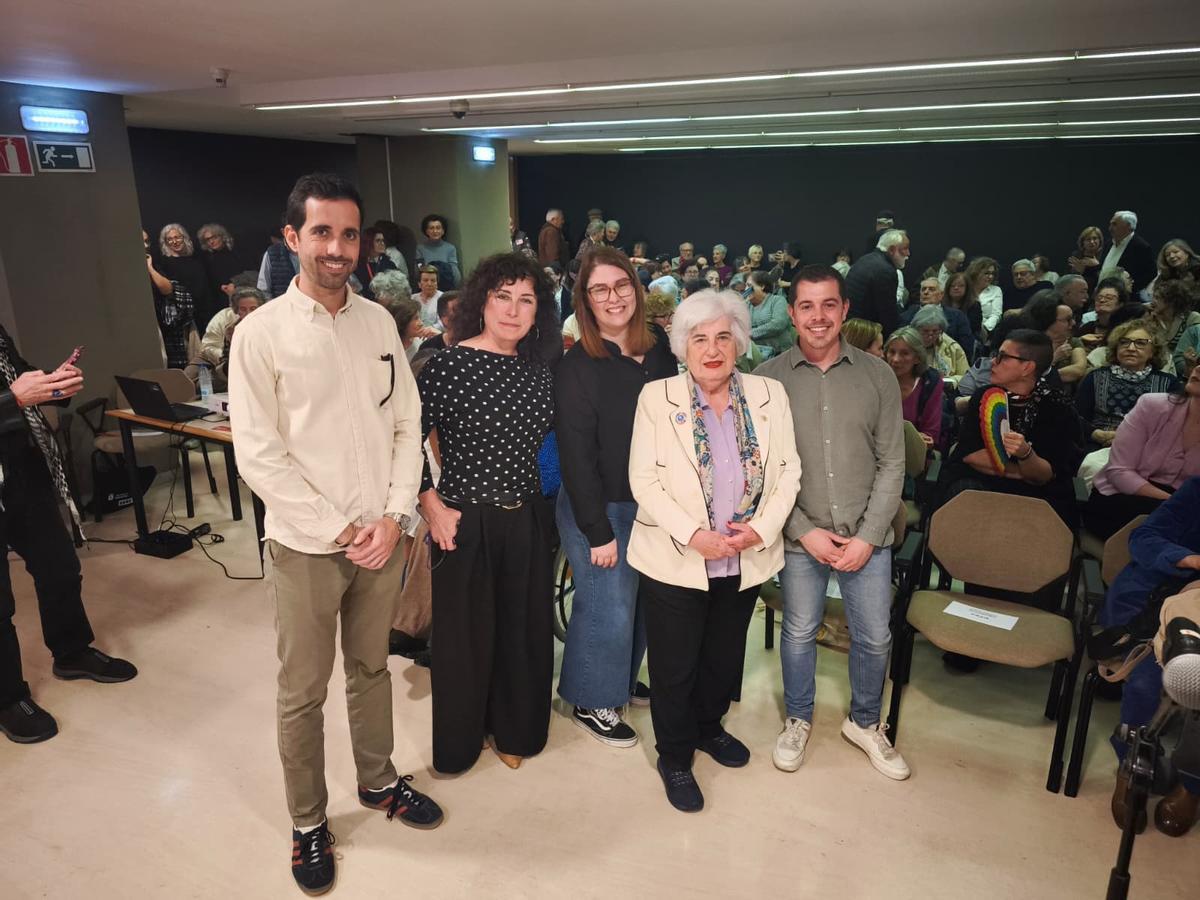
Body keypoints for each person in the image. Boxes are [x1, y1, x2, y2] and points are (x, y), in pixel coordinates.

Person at [229, 173, 443, 896]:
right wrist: (343, 528)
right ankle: (308, 822)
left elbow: (407, 423)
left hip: (380, 539)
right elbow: (259, 454)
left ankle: (380, 782)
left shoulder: (380, 323)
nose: (337, 248)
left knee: (371, 670)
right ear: (293, 239)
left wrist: (393, 517)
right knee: (301, 691)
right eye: (322, 232)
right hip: (305, 549)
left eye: (349, 234)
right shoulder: (260, 334)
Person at [627, 288, 801, 812]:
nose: (712, 348)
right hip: (677, 557)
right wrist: (693, 534)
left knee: (723, 657)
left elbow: (789, 472)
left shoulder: (770, 394)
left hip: (744, 554)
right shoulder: (657, 398)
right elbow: (644, 481)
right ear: (681, 346)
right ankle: (675, 757)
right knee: (675, 664)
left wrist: (761, 529)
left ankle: (708, 728)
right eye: (699, 338)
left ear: (740, 343)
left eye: (723, 336)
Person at [756, 264, 909, 782]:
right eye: (806, 306)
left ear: (844, 310)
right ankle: (798, 718)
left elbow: (893, 463)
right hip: (803, 535)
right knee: (799, 631)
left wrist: (868, 538)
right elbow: (766, 472)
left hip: (868, 533)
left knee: (875, 636)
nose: (818, 317)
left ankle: (865, 722)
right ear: (792, 313)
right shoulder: (768, 379)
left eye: (828, 305)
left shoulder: (878, 375)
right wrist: (803, 531)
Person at [416, 252, 561, 775]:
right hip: (463, 520)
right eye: (503, 296)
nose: (513, 310)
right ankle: (461, 739)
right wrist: (430, 502)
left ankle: (515, 731)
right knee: (464, 638)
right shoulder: (448, 366)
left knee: (521, 633)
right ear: (482, 300)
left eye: (526, 300)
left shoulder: (539, 374)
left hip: (524, 518)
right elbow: (402, 440)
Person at [554, 247, 676, 747]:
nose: (613, 297)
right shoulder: (578, 366)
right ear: (585, 299)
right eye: (599, 289)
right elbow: (576, 457)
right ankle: (590, 697)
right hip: (599, 504)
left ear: (636, 288)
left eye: (621, 285)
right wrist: (596, 531)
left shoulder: (661, 347)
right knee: (609, 603)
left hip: (653, 501)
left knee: (643, 600)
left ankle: (619, 679)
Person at [0, 326, 136, 745]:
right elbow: (14, 394)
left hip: (21, 469)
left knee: (60, 568)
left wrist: (52, 385)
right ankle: (7, 699)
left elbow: (20, 375)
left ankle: (72, 651)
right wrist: (15, 399)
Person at [1100, 478, 1200, 835]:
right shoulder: (1196, 491)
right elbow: (1143, 539)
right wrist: (1189, 559)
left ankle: (1191, 784)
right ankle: (1131, 763)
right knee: (1148, 677)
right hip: (1158, 606)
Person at [943, 329, 1086, 528]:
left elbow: (1047, 473)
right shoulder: (984, 395)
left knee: (1048, 514)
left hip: (1038, 494)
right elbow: (970, 455)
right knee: (963, 492)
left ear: (1027, 367)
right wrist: (1024, 470)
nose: (993, 362)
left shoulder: (1058, 407)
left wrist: (1025, 454)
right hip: (981, 480)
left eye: (1002, 357)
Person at [1085, 368, 1200, 538]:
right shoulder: (1152, 405)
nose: (1197, 368)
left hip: (1185, 508)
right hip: (1124, 497)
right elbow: (1119, 471)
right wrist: (1173, 504)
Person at [1075, 319, 1178, 451]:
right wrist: (1096, 434)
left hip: (1148, 448)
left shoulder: (1169, 384)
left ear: (1153, 351)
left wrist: (1129, 439)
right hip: (1099, 444)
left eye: (1140, 343)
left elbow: (1173, 427)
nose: (1131, 348)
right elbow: (1077, 418)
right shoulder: (1095, 377)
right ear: (1115, 348)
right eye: (1124, 342)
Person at [144, 229, 197, 370]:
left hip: (162, 323)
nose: (145, 245)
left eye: (146, 241)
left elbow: (167, 289)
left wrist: (149, 267)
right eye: (141, 241)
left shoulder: (153, 262)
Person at [885, 326, 943, 450]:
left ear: (917, 358)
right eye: (891, 352)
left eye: (904, 353)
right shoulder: (877, 378)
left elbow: (930, 435)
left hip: (910, 456)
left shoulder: (930, 384)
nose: (895, 359)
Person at [197, 285, 266, 390]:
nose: (248, 314)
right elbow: (214, 350)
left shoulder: (269, 327)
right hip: (229, 366)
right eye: (243, 309)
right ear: (236, 310)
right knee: (198, 383)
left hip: (262, 370)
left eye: (253, 309)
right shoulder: (231, 328)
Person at [845, 228, 909, 339]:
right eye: (905, 249)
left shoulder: (865, 259)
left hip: (850, 328)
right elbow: (888, 315)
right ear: (892, 250)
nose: (908, 253)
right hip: (864, 334)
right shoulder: (886, 271)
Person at [158, 222, 221, 332]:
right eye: (170, 239)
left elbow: (206, 287)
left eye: (177, 237)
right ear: (166, 243)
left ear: (184, 238)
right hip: (184, 318)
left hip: (205, 313)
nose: (174, 241)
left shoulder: (196, 261)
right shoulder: (164, 264)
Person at [1023, 290, 1088, 386]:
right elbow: (1023, 376)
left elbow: (1078, 370)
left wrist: (1041, 375)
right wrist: (1054, 358)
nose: (1073, 323)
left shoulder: (1073, 342)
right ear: (1048, 321)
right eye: (1068, 320)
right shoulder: (1028, 344)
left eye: (1072, 318)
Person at [900, 277, 975, 359]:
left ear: (941, 295)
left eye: (931, 289)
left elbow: (966, 348)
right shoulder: (907, 316)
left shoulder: (957, 317)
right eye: (923, 289)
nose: (926, 292)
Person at [1148, 279, 1200, 376]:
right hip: (1159, 368)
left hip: (1184, 369)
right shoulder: (1150, 318)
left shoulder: (1191, 318)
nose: (1152, 301)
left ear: (1171, 301)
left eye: (1157, 298)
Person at [910, 305, 968, 387]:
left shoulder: (952, 347)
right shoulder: (907, 344)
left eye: (935, 331)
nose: (930, 336)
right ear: (916, 329)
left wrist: (951, 381)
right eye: (925, 331)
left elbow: (967, 378)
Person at [1101, 210, 1156, 295]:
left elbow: (1150, 274)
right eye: (1110, 224)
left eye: (1114, 224)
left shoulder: (1141, 247)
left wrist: (1127, 291)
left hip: (1124, 298)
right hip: (1102, 293)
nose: (1110, 228)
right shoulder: (1108, 244)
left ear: (1129, 226)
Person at [747, 270, 793, 358]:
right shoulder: (748, 305)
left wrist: (751, 333)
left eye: (749, 286)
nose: (746, 290)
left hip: (779, 354)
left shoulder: (778, 301)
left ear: (762, 286)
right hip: (756, 355)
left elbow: (778, 324)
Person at [197, 222, 242, 302]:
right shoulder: (206, 260)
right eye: (208, 240)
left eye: (214, 237)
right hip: (220, 300)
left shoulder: (236, 253)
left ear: (222, 237)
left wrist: (234, 283)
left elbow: (249, 273)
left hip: (242, 294)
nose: (211, 241)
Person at [259, 213, 300, 298]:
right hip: (280, 308)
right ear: (284, 232)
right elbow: (263, 290)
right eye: (293, 230)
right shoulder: (272, 253)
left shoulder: (313, 252)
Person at [414, 213, 461, 287]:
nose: (435, 231)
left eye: (438, 228)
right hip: (427, 287)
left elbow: (455, 272)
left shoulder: (450, 248)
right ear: (426, 231)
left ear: (443, 231)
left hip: (446, 287)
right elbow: (418, 271)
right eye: (431, 228)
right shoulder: (420, 248)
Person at [353, 226, 397, 300]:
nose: (382, 243)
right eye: (378, 241)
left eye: (383, 240)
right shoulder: (358, 265)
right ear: (368, 242)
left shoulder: (389, 264)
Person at [964, 256, 1003, 338]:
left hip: (984, 330)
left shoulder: (996, 290)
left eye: (992, 273)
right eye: (987, 273)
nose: (990, 276)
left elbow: (996, 315)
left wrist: (984, 327)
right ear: (976, 273)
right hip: (964, 326)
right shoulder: (965, 288)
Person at [1068, 225, 1105, 294]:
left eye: (1095, 238)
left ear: (1100, 240)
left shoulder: (1105, 256)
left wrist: (1097, 265)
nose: (1092, 242)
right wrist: (1080, 272)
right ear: (1083, 242)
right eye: (1088, 239)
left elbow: (1105, 277)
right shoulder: (1076, 256)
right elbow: (1069, 279)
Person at [414, 264, 443, 329]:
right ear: (419, 284)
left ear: (437, 283)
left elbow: (444, 323)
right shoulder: (412, 299)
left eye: (433, 281)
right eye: (425, 280)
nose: (429, 284)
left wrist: (428, 330)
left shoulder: (443, 298)